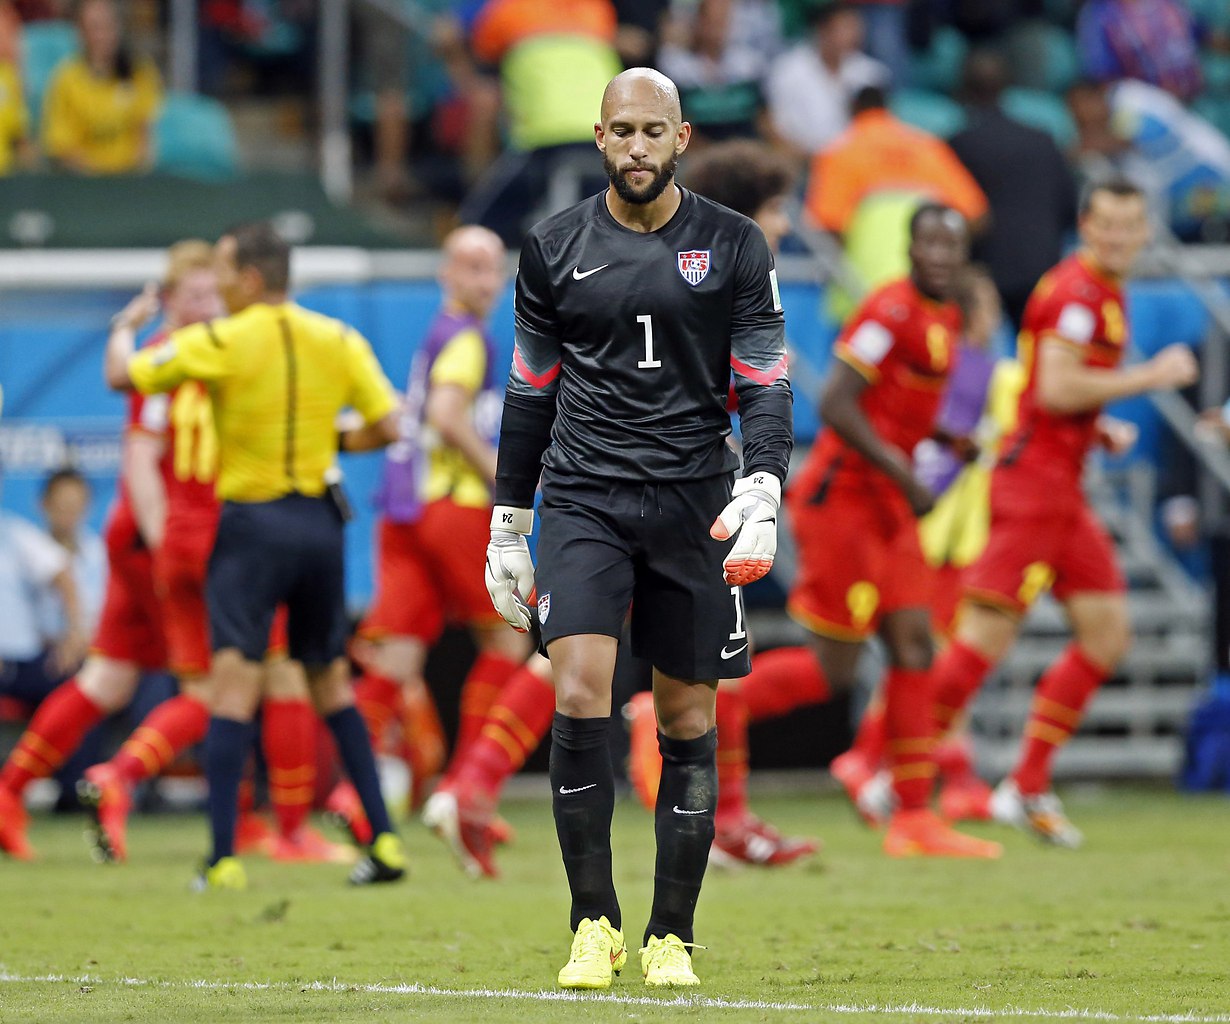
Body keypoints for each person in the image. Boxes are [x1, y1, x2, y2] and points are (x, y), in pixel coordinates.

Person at [423, 140, 817, 879]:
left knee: (574, 664)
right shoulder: (691, 263)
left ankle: (472, 784)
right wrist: (514, 512)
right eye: (774, 210)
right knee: (588, 666)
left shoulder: (726, 264)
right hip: (630, 491)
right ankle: (701, 819)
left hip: (671, 487)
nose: (786, 225)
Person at [484, 68, 792, 987]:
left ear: (682, 139)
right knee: (579, 690)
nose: (636, 148)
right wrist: (509, 522)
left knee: (687, 714)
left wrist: (765, 486)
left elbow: (765, 380)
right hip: (586, 494)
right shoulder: (551, 247)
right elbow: (529, 391)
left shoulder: (736, 245)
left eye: (653, 131)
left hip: (697, 499)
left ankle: (670, 934)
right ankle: (593, 924)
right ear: (598, 137)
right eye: (620, 131)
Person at [104, 221, 405, 890]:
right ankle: (384, 842)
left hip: (251, 526)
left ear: (249, 279)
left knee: (234, 683)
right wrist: (333, 447)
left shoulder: (222, 339)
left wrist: (126, 326)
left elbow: (122, 375)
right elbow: (389, 423)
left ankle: (222, 858)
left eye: (224, 267)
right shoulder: (338, 339)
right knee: (328, 681)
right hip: (321, 524)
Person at [927, 179, 1199, 847]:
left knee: (1107, 636)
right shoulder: (1080, 294)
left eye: (1131, 224)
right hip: (1034, 488)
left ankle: (1025, 783)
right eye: (1106, 224)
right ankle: (882, 760)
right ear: (1086, 224)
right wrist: (1148, 377)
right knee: (979, 641)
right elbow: (1053, 386)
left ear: (1144, 230)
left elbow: (1050, 393)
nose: (1118, 236)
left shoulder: (1101, 291)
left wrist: (1096, 426)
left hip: (1060, 486)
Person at [79, 241, 343, 867]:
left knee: (207, 694)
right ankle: (294, 830)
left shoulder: (166, 354)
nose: (209, 300)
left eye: (211, 287)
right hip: (224, 533)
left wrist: (163, 535)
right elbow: (143, 455)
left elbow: (138, 429)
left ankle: (152, 786)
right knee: (279, 678)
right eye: (196, 292)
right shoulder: (233, 347)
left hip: (177, 540)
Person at [785, 203, 1003, 859]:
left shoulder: (947, 315)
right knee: (832, 672)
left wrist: (945, 441)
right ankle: (698, 709)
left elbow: (899, 411)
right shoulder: (889, 309)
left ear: (963, 254)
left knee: (915, 646)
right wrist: (904, 472)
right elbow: (836, 403)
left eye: (951, 243)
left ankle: (914, 818)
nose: (939, 253)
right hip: (845, 498)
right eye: (928, 241)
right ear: (910, 249)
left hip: (890, 503)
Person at [329, 225, 531, 836]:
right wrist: (505, 479)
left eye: (492, 268)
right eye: (471, 267)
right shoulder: (467, 339)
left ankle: (349, 794)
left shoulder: (436, 334)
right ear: (444, 273)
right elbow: (446, 415)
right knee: (507, 643)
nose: (484, 280)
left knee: (394, 658)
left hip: (402, 510)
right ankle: (466, 790)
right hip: (455, 509)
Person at [948, 50, 1077, 329]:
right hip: (1044, 269)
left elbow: (952, 216)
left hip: (985, 281)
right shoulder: (1042, 140)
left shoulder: (958, 145)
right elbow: (1070, 207)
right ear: (1007, 87)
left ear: (962, 90)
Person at [41, 0, 162, 174]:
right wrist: (98, 178)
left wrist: (133, 175)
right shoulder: (66, 79)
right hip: (84, 183)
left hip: (129, 181)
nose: (101, 35)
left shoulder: (139, 71)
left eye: (107, 26)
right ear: (80, 32)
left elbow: (146, 136)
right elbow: (62, 148)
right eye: (94, 27)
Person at [764, 2, 890, 158]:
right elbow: (776, 129)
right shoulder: (787, 71)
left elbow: (880, 128)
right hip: (804, 161)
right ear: (822, 30)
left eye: (856, 27)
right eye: (845, 27)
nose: (853, 35)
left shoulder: (871, 74)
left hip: (858, 162)